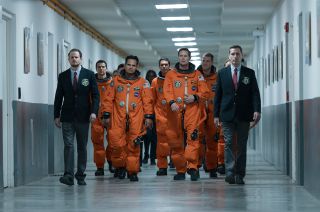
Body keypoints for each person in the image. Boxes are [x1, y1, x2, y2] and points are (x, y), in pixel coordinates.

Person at [214, 45, 261, 185]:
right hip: (227, 114)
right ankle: (229, 172)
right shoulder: (222, 73)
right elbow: (218, 96)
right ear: (229, 56)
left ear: (242, 55)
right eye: (233, 54)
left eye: (238, 54)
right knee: (228, 143)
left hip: (244, 114)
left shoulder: (249, 73)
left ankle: (239, 173)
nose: (235, 56)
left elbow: (255, 93)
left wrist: (257, 110)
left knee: (241, 144)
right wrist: (216, 115)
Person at [103, 55, 154, 182]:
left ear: (136, 67)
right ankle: (120, 168)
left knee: (133, 145)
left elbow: (147, 101)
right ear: (125, 65)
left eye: (133, 65)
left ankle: (132, 171)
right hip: (117, 117)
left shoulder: (143, 83)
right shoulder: (115, 81)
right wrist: (106, 115)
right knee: (117, 144)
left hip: (136, 117)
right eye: (129, 64)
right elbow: (108, 99)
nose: (131, 67)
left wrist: (148, 117)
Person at [54, 48, 99, 186]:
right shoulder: (63, 76)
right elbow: (58, 96)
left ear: (81, 59)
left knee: (81, 146)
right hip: (67, 116)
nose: (74, 59)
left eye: (76, 57)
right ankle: (68, 175)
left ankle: (80, 175)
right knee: (68, 145)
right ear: (68, 59)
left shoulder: (89, 75)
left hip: (84, 116)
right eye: (72, 57)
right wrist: (56, 115)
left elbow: (96, 95)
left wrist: (94, 112)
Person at [163, 48, 209, 181]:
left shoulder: (197, 74)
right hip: (175, 111)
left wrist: (195, 97)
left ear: (189, 57)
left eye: (185, 56)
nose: (183, 58)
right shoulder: (171, 75)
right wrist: (171, 102)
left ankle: (193, 168)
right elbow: (167, 90)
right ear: (178, 57)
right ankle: (180, 170)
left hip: (192, 111)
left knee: (193, 139)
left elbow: (205, 92)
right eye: (181, 56)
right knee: (176, 141)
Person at [197, 53, 219, 178]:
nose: (205, 63)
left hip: (213, 113)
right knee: (197, 141)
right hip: (198, 112)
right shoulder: (195, 76)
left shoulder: (217, 77)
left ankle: (212, 167)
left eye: (207, 61)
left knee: (212, 141)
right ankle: (196, 166)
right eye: (203, 60)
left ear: (211, 62)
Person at [91, 60, 114, 176]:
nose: (101, 69)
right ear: (96, 68)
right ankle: (99, 167)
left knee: (112, 141)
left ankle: (111, 162)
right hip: (96, 116)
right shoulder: (92, 82)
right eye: (99, 67)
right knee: (97, 142)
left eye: (103, 67)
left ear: (106, 68)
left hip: (110, 115)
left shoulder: (113, 83)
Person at [151, 58, 171, 176]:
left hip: (174, 115)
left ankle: (177, 164)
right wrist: (151, 116)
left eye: (166, 65)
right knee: (162, 144)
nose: (164, 67)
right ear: (159, 66)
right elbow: (152, 100)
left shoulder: (175, 78)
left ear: (169, 65)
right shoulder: (155, 82)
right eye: (162, 65)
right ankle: (162, 167)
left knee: (176, 142)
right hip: (161, 116)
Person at [142, 70, 158, 165]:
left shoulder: (157, 87)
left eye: (153, 76)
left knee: (154, 138)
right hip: (146, 115)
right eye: (149, 76)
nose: (151, 77)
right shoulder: (144, 86)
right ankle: (146, 155)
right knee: (146, 137)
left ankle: (152, 157)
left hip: (156, 115)